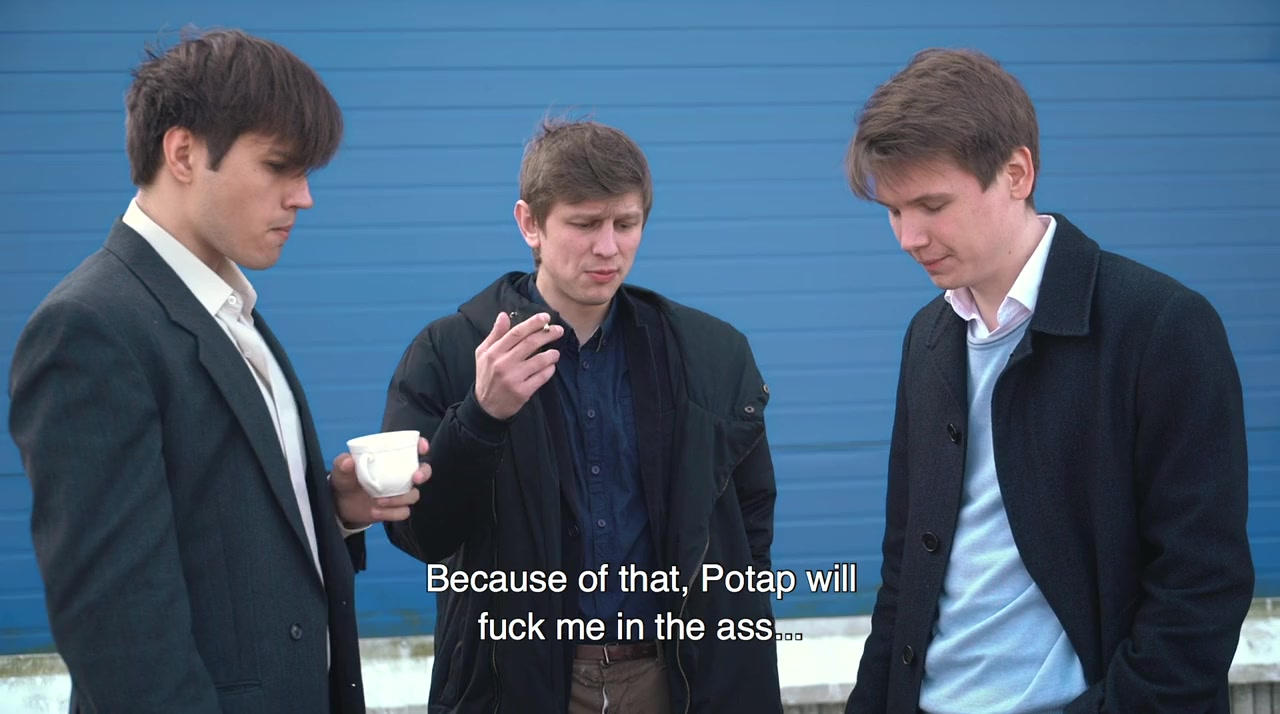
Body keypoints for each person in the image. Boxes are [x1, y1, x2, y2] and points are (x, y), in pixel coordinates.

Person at [8, 28, 428, 713]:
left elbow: (210, 534)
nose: (304, 197)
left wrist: (330, 512)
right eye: (280, 166)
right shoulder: (89, 328)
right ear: (183, 153)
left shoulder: (227, 307)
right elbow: (118, 630)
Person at [840, 48, 1254, 713]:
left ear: (1016, 173)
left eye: (931, 205)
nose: (909, 237)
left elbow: (1200, 588)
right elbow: (905, 569)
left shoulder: (1160, 327)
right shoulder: (929, 338)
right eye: (893, 211)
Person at [380, 117, 782, 713]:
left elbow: (750, 526)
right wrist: (482, 417)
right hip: (517, 685)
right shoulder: (450, 353)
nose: (608, 248)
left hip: (675, 681)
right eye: (585, 224)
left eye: (626, 224)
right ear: (530, 224)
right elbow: (419, 533)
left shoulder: (711, 353)